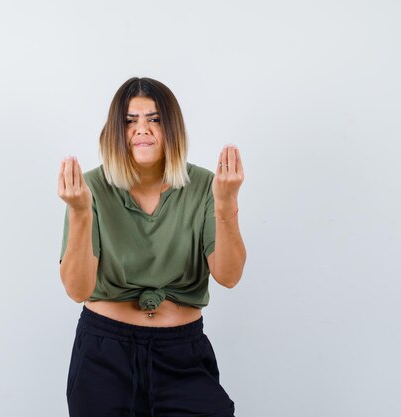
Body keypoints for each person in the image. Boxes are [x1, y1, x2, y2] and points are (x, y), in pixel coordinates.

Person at [57, 77, 246, 417]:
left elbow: (229, 276)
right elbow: (77, 288)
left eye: (154, 119)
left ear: (172, 129)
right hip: (105, 355)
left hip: (182, 354)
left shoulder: (206, 185)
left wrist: (226, 203)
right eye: (130, 121)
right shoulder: (90, 188)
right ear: (116, 131)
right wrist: (81, 212)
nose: (142, 129)